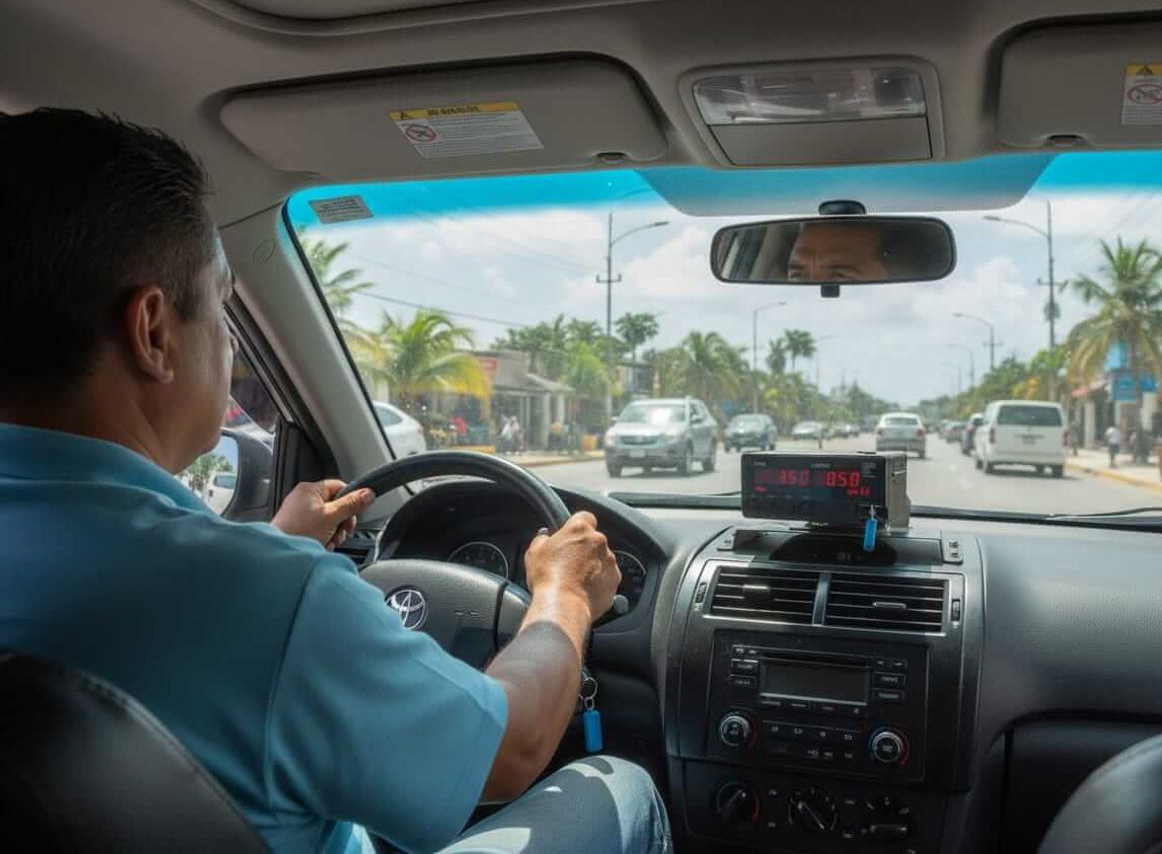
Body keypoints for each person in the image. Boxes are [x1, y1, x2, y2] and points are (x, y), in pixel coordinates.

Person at [0, 109, 669, 854]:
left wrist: (274, 544)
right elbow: (507, 752)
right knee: (624, 785)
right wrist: (565, 596)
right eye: (223, 308)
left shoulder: (240, 580)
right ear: (153, 331)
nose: (226, 345)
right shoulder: (259, 596)